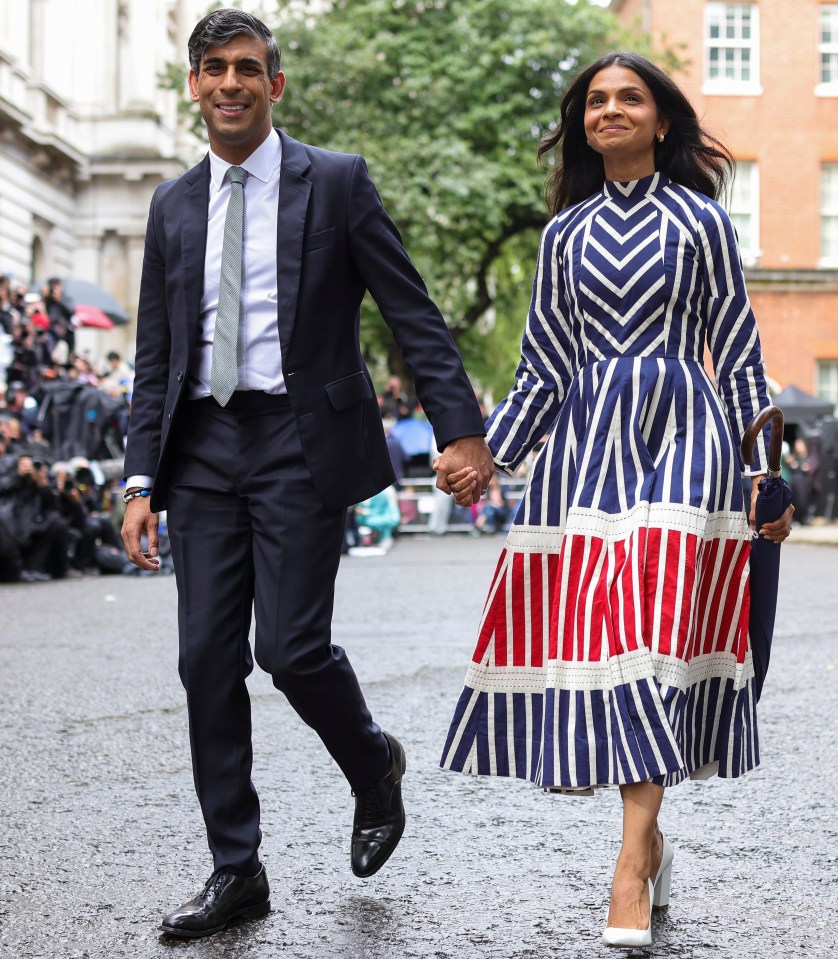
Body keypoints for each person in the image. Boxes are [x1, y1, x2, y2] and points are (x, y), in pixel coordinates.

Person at [120, 8, 493, 940]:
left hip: (299, 440)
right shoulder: (172, 205)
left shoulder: (334, 182)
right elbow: (155, 356)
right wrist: (136, 481)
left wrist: (460, 431)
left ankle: (373, 765)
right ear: (195, 86)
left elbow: (413, 313)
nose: (232, 83)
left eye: (249, 66)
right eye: (214, 68)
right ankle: (236, 869)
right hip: (201, 448)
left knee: (289, 649)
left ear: (275, 83)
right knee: (206, 656)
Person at [438, 51, 794, 948]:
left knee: (658, 632)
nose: (610, 111)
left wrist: (766, 474)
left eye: (629, 98)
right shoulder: (563, 236)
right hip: (589, 450)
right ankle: (655, 837)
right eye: (595, 101)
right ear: (581, 124)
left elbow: (742, 354)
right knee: (619, 638)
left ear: (661, 121)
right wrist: (490, 455)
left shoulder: (704, 222)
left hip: (688, 438)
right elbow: (546, 366)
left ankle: (629, 867)